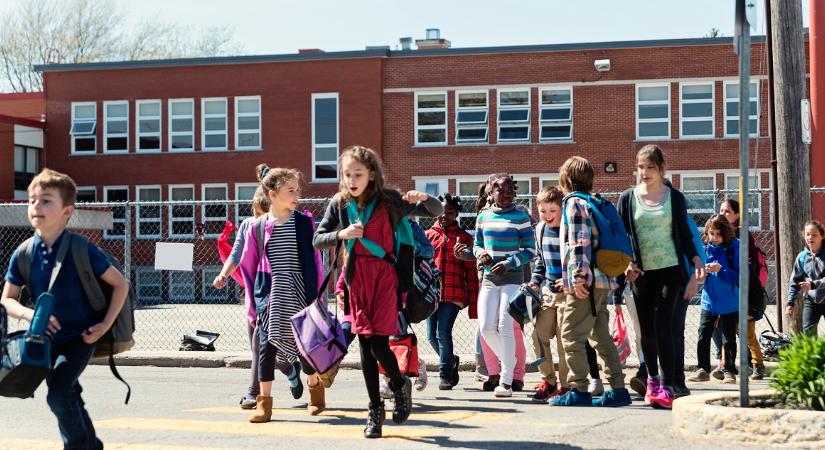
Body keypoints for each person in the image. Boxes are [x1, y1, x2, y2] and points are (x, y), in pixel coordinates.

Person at [313, 145, 443, 439]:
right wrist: (341, 235)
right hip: (356, 278)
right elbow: (318, 239)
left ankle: (398, 385)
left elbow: (435, 210)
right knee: (364, 346)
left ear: (371, 174)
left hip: (385, 279)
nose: (351, 180)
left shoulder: (389, 201)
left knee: (378, 343)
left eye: (357, 174)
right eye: (347, 174)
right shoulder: (339, 204)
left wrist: (424, 197)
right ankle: (375, 410)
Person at [2, 168, 129, 449]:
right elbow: (7, 298)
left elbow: (121, 285)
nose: (36, 206)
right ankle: (90, 445)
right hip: (44, 341)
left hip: (81, 337)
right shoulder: (23, 253)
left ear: (67, 211)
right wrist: (30, 314)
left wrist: (105, 326)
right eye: (32, 200)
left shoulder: (81, 247)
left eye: (46, 200)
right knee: (66, 391)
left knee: (58, 393)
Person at [618, 145, 703, 409]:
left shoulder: (674, 198)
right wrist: (625, 266)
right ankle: (652, 380)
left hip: (671, 270)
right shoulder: (628, 198)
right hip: (641, 273)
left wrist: (697, 261)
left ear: (661, 168)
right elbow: (620, 238)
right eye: (641, 167)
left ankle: (668, 386)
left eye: (650, 167)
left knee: (664, 326)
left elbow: (685, 235)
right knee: (647, 331)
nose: (644, 172)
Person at [239, 167, 321, 423]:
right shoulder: (258, 227)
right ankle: (264, 404)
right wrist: (253, 305)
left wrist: (317, 298)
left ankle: (315, 390)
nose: (297, 194)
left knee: (306, 349)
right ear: (273, 195)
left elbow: (315, 262)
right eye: (291, 190)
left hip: (300, 292)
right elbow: (248, 267)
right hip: (271, 296)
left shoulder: (304, 222)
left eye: (298, 189)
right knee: (266, 348)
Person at [551, 156, 630, 408]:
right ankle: (618, 388)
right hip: (603, 278)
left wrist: (578, 276)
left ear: (566, 178)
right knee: (601, 336)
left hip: (585, 280)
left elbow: (579, 242)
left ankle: (579, 389)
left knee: (571, 335)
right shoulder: (594, 201)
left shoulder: (574, 203)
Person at [473, 174, 536, 398]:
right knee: (486, 327)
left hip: (513, 278)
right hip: (490, 278)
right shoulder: (483, 216)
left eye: (511, 191)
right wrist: (480, 255)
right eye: (502, 190)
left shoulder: (521, 217)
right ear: (491, 192)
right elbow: (477, 244)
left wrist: (509, 263)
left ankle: (506, 382)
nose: (507, 195)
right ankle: (511, 360)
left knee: (505, 325)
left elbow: (530, 250)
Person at [213, 185, 270, 409]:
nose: (258, 218)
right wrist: (222, 274)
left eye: (262, 214)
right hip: (253, 294)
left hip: (274, 292)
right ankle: (258, 390)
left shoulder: (279, 226)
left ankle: (255, 391)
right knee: (257, 346)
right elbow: (235, 254)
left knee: (269, 348)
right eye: (255, 213)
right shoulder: (248, 226)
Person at [425, 193, 479, 390]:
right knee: (431, 336)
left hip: (453, 295)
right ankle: (451, 360)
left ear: (456, 214)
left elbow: (472, 274)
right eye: (440, 212)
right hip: (431, 295)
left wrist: (474, 304)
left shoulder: (464, 238)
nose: (444, 216)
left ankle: (445, 375)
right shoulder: (428, 236)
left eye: (449, 213)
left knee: (442, 333)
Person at [379, 216, 433, 397]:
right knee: (380, 340)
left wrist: (411, 247)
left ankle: (391, 382)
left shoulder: (412, 228)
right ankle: (416, 365)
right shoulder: (376, 225)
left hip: (402, 289)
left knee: (395, 337)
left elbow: (429, 250)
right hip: (379, 287)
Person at [528, 185, 569, 402]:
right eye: (543, 211)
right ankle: (549, 381)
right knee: (538, 337)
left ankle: (566, 385)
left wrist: (570, 278)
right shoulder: (540, 229)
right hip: (548, 292)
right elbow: (541, 262)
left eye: (552, 210)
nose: (547, 216)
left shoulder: (568, 229)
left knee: (565, 341)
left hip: (568, 292)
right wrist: (535, 282)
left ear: (561, 209)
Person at [719, 199, 767, 379]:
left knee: (748, 333)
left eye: (727, 211)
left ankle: (758, 365)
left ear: (737, 215)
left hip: (744, 291)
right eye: (721, 210)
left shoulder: (742, 235)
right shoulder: (719, 233)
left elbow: (750, 266)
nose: (723, 214)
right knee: (727, 332)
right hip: (727, 290)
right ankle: (725, 366)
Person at [689, 215, 740, 385]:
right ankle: (702, 368)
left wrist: (721, 269)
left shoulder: (734, 248)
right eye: (711, 234)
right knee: (703, 334)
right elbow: (698, 274)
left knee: (728, 337)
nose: (714, 238)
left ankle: (729, 370)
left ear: (725, 234)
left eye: (718, 234)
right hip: (709, 300)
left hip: (730, 301)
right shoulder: (704, 250)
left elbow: (740, 275)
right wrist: (702, 273)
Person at [787, 220, 825, 336]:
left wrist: (813, 285)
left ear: (822, 236)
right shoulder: (802, 257)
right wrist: (790, 302)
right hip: (812, 300)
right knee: (808, 332)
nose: (810, 237)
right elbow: (794, 281)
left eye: (814, 235)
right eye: (808, 234)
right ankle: (814, 354)